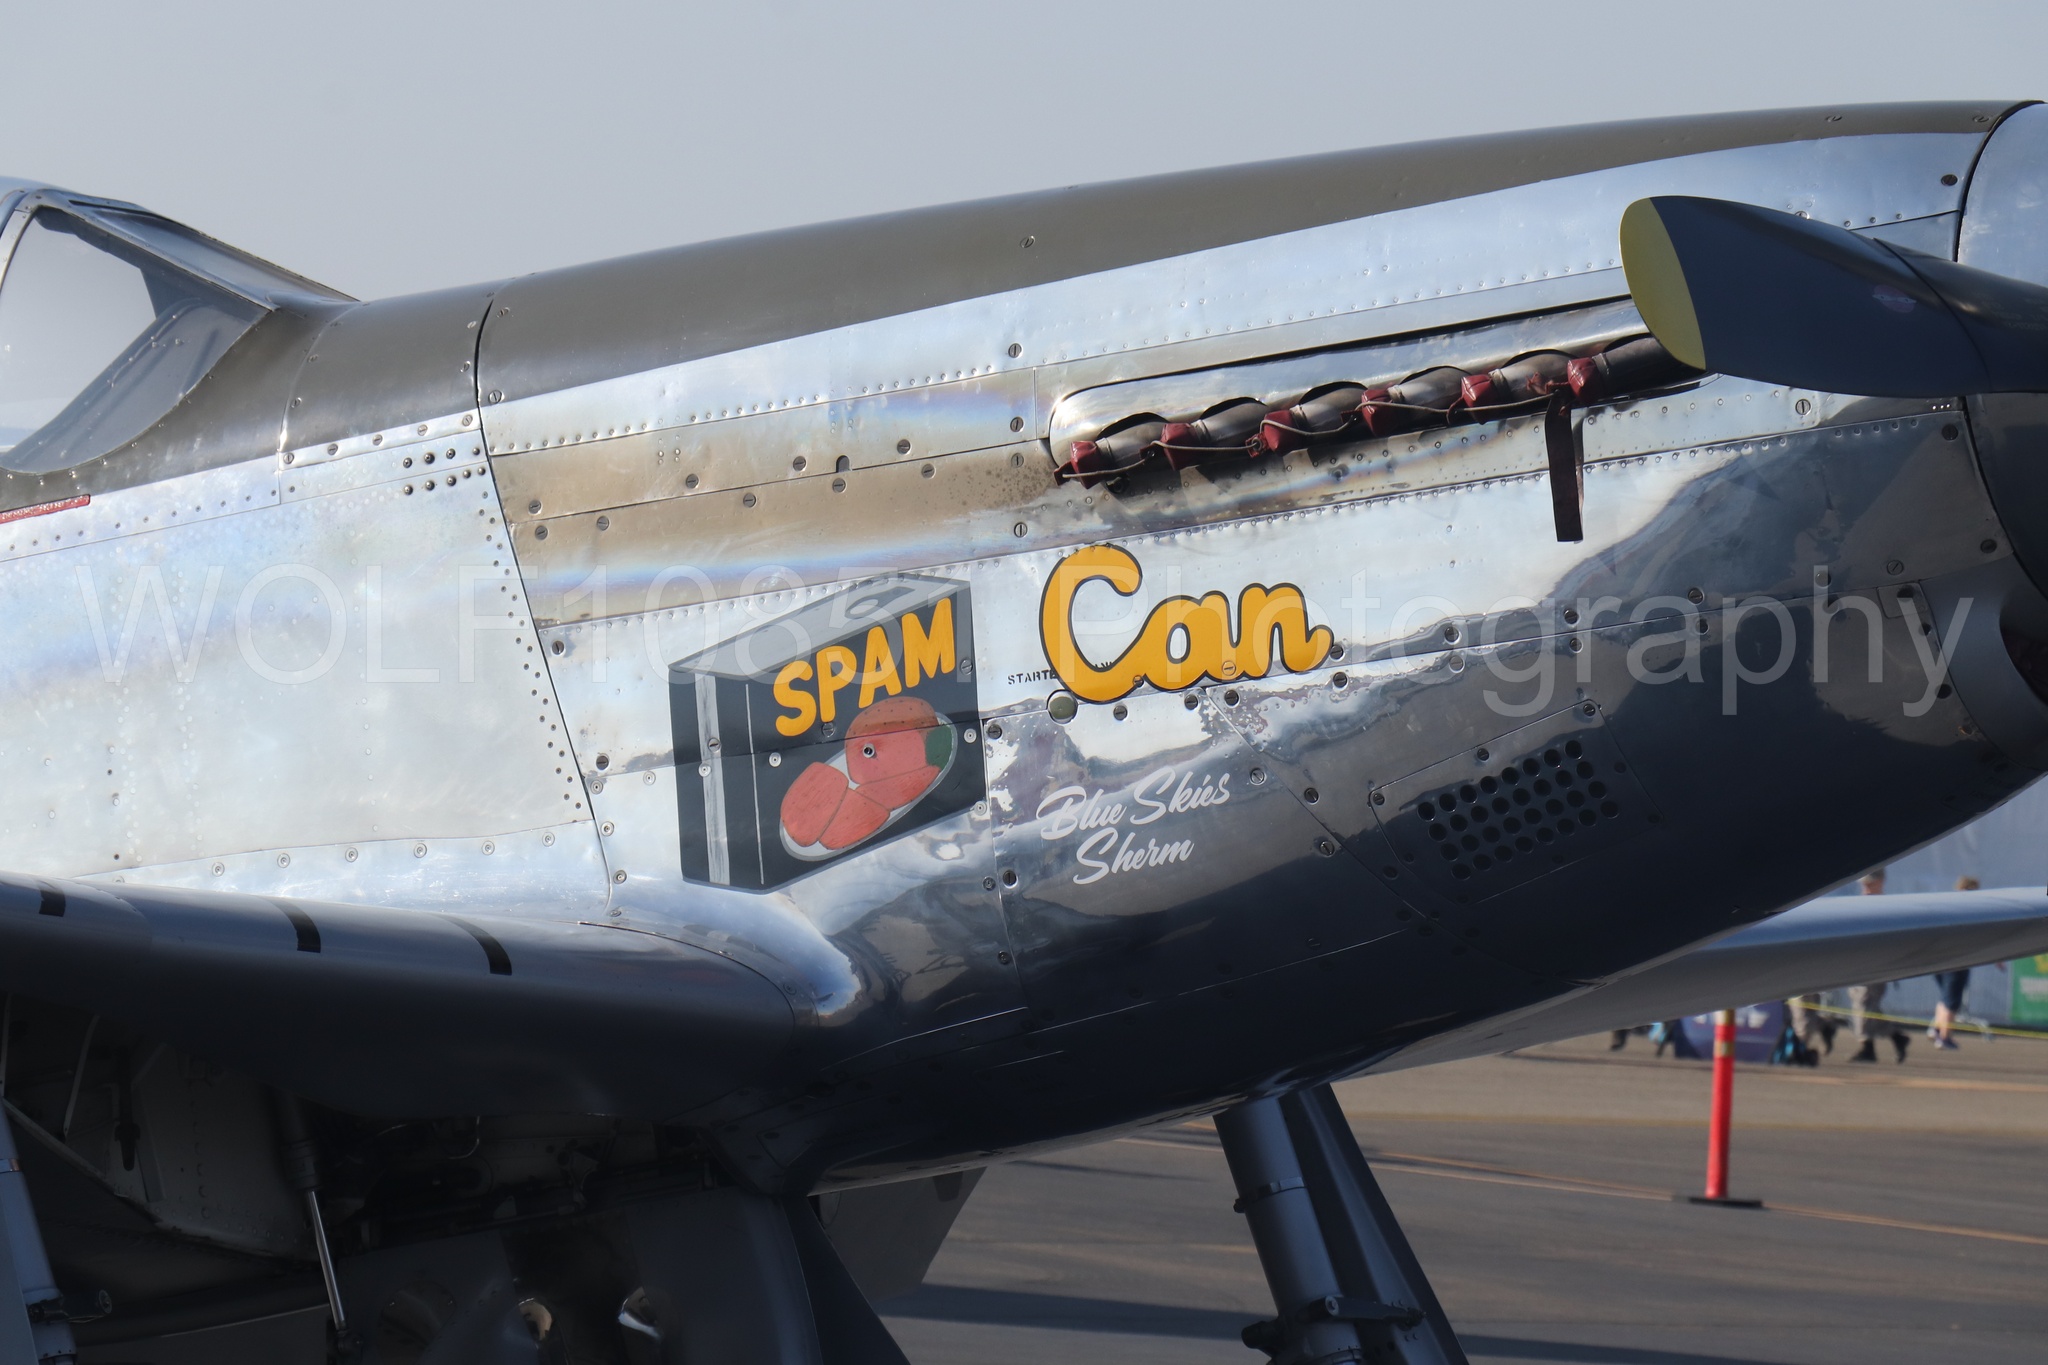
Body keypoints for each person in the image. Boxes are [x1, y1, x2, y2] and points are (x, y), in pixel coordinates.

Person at [1848, 868, 1910, 1063]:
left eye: (1870, 884)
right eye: (1864, 884)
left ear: (1881, 882)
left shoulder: (1885, 908)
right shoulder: (1857, 905)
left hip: (1876, 966)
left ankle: (1867, 1047)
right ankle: (1895, 1036)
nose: (1866, 888)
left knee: (1863, 1003)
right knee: (1869, 1008)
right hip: (1857, 964)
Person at [1929, 875, 1981, 1050]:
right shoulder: (1970, 910)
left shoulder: (1946, 906)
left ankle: (1936, 1029)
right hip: (1956, 961)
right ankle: (1944, 1037)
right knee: (1952, 1001)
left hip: (1939, 959)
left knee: (1945, 997)